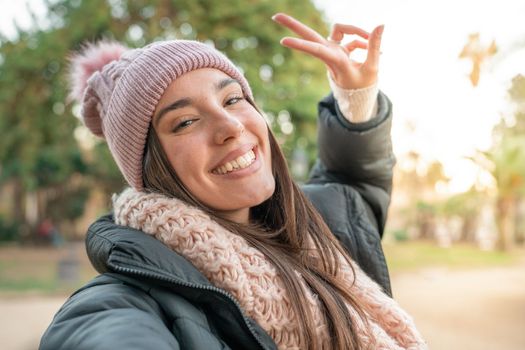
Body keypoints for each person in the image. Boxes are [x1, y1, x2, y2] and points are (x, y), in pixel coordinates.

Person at [40, 13, 426, 350]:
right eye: (185, 122)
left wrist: (355, 98)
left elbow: (354, 181)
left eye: (232, 99)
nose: (230, 126)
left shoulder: (317, 223)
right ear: (151, 167)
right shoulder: (121, 306)